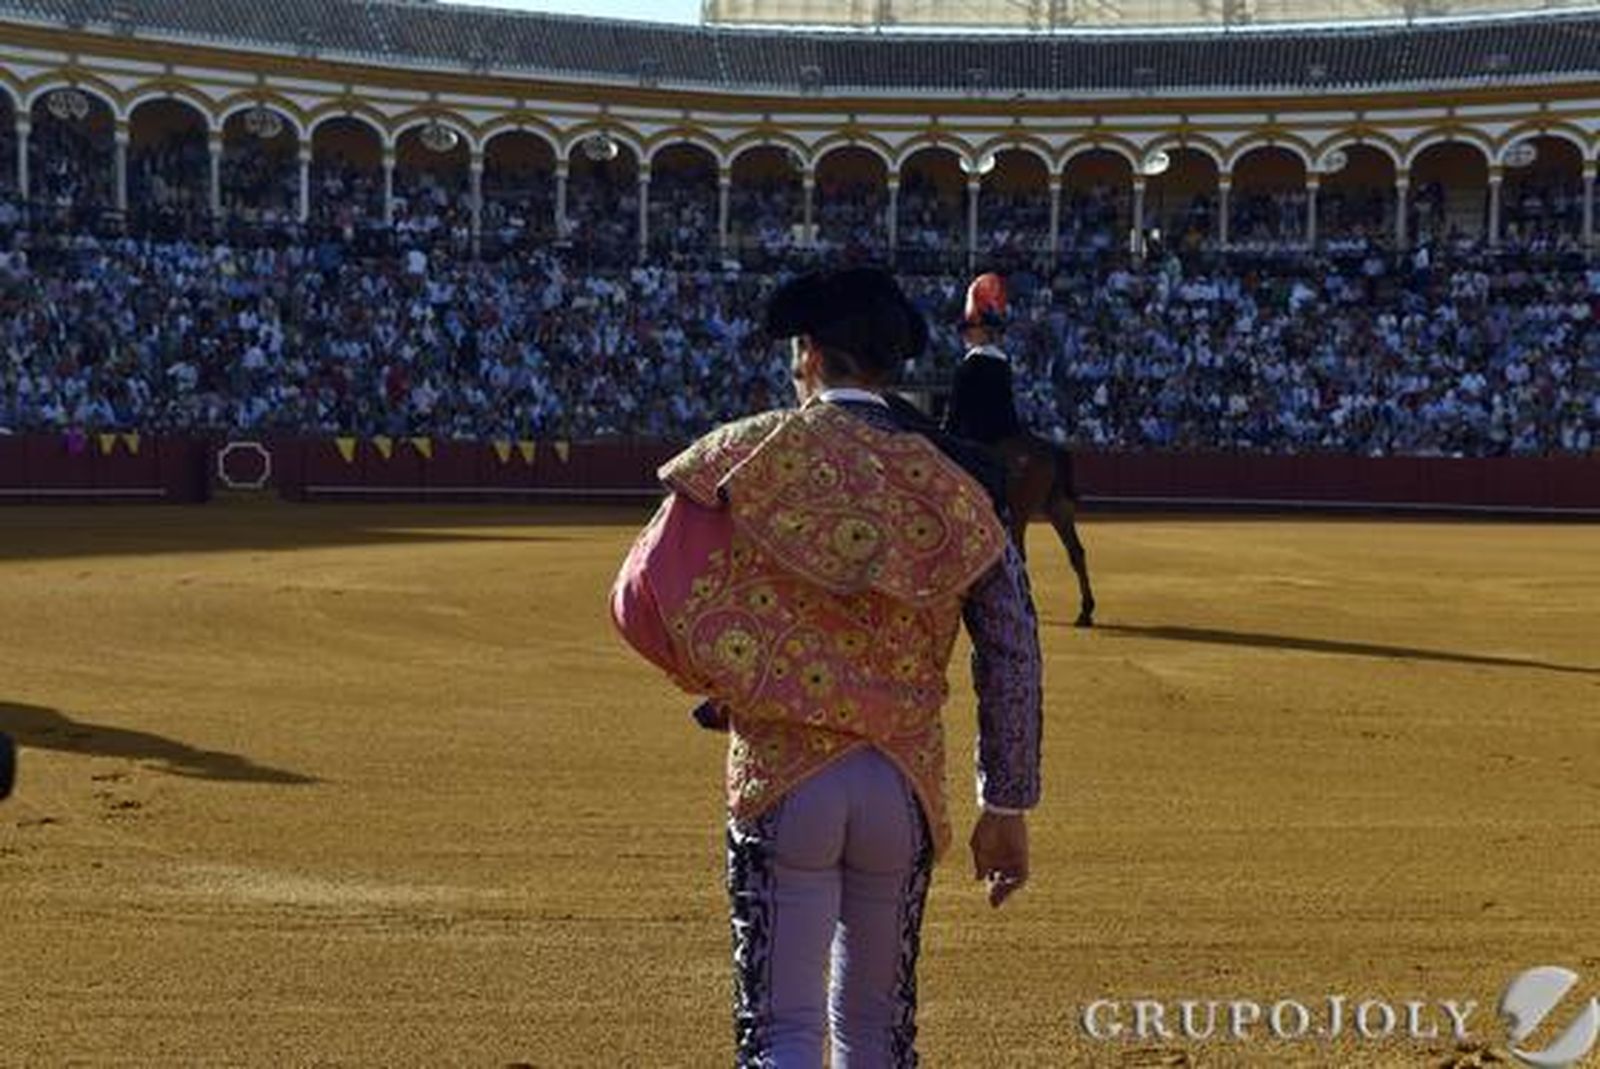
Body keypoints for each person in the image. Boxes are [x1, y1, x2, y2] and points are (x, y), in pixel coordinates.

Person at [610, 266, 1043, 1067]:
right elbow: (1012, 641)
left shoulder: (747, 452)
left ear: (807, 352)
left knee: (781, 1032)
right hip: (902, 781)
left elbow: (638, 599)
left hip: (784, 771)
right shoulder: (952, 482)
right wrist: (1005, 803)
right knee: (877, 1035)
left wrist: (730, 677)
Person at [942, 272, 1023, 447]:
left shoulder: (969, 366)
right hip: (1003, 436)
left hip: (973, 438)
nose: (965, 336)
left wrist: (945, 433)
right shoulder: (1003, 364)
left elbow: (956, 411)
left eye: (969, 331)